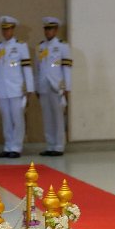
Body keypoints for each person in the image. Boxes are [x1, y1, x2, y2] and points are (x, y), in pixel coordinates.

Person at [0, 15, 34, 158]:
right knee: (6, 119)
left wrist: (29, 88)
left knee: (17, 119)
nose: (6, 32)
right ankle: (8, 146)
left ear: (13, 29)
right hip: (2, 89)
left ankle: (16, 147)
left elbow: (27, 68)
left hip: (16, 89)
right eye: (4, 29)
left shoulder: (21, 46)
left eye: (8, 29)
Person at [37, 17, 72, 156]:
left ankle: (58, 146)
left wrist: (67, 87)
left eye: (50, 29)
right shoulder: (41, 47)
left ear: (56, 30)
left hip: (57, 86)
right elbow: (38, 68)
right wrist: (37, 86)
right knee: (47, 117)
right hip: (44, 85)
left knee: (58, 117)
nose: (48, 31)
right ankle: (50, 145)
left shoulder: (63, 46)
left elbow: (67, 68)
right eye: (46, 29)